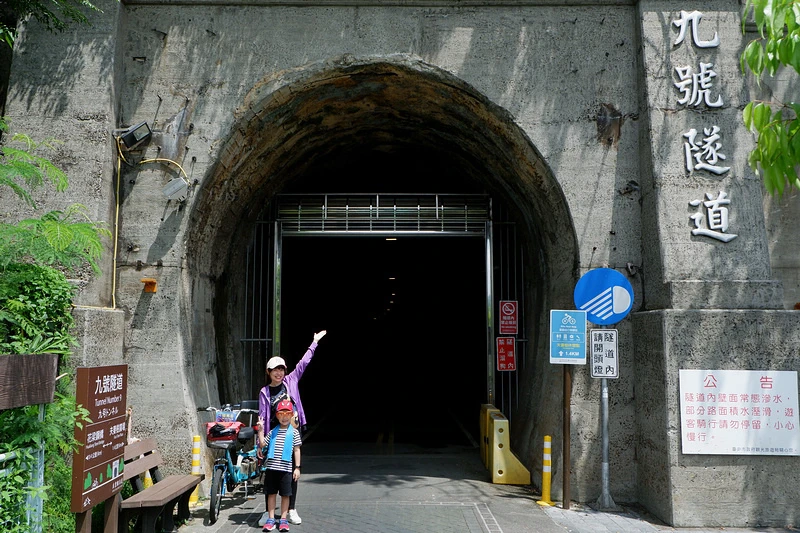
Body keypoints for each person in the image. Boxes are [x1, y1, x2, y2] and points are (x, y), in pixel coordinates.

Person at [257, 329, 326, 526]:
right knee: (270, 474)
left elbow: (304, 363)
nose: (279, 373)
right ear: (268, 372)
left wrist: (314, 343)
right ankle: (268, 513)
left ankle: (292, 509)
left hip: (291, 432)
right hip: (273, 435)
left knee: (291, 472)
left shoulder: (291, 380)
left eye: (281, 369)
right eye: (275, 370)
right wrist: (260, 443)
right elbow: (262, 416)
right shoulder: (264, 392)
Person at [260, 399, 302, 532]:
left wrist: (297, 468)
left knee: (285, 495)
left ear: (291, 415)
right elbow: (263, 444)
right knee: (271, 494)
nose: (284, 417)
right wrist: (260, 430)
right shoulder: (273, 432)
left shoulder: (294, 432)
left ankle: (283, 519)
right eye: (281, 414)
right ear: (277, 416)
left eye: (287, 414)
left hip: (285, 470)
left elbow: (297, 450)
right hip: (272, 469)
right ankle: (271, 518)